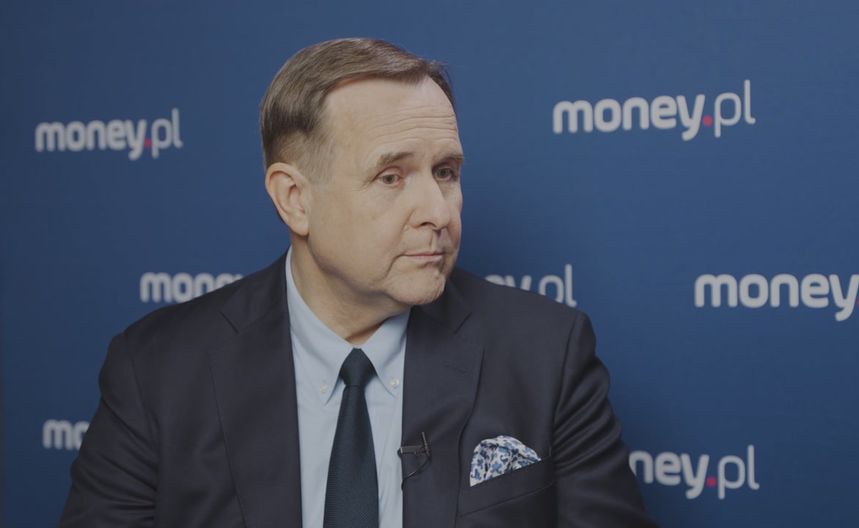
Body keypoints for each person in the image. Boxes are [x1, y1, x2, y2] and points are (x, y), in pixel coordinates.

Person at [60, 38, 656, 528]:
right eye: (391, 177)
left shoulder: (547, 354)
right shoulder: (157, 370)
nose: (438, 212)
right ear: (295, 199)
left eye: (445, 172)